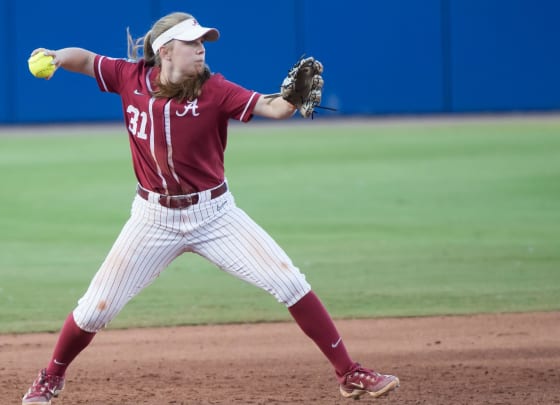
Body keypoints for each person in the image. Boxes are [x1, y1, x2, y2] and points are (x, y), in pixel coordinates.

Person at [21, 11, 399, 404]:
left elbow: (274, 108)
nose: (201, 49)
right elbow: (84, 59)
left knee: (289, 281)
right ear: (165, 51)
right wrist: (57, 56)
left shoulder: (215, 90)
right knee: (94, 309)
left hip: (215, 215)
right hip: (153, 219)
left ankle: (349, 372)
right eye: (192, 42)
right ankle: (51, 377)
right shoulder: (129, 77)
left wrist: (290, 98)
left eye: (203, 42)